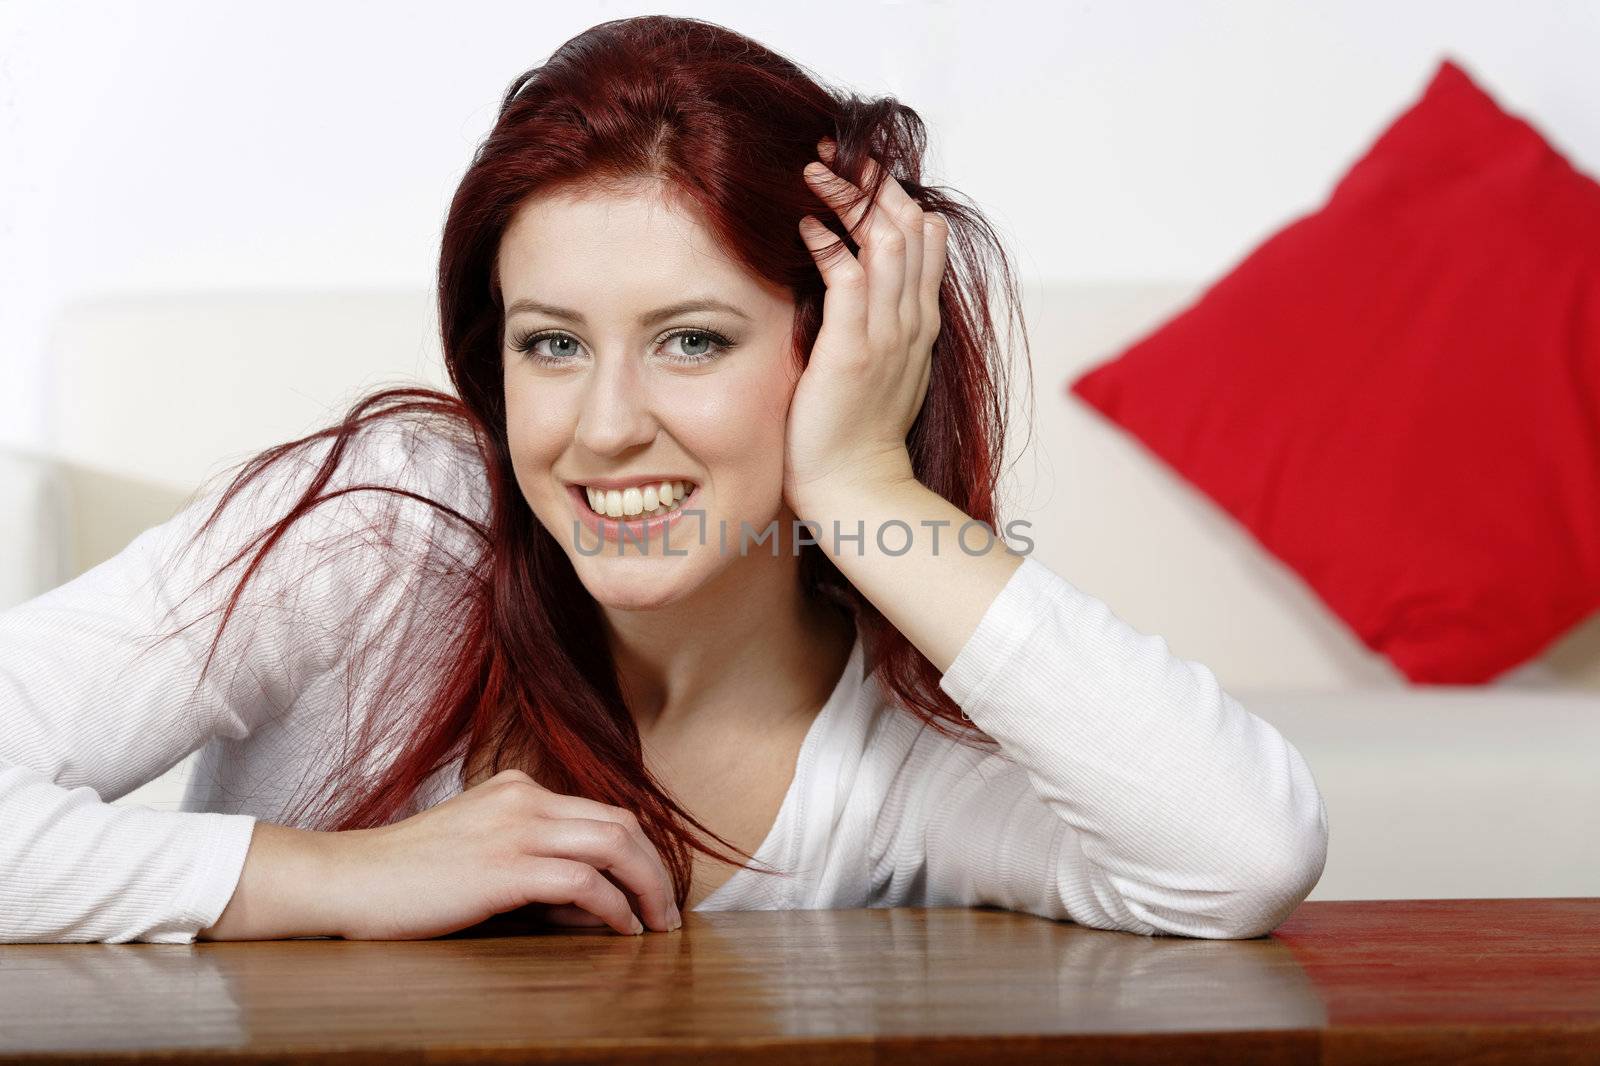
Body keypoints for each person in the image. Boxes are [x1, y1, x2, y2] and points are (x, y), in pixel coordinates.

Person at [0, 15, 1327, 945]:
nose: (604, 426)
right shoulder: (385, 532)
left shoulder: (893, 765)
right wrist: (335, 876)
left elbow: (1238, 856)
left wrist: (864, 487)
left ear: (837, 353)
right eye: (552, 345)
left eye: (693, 340)